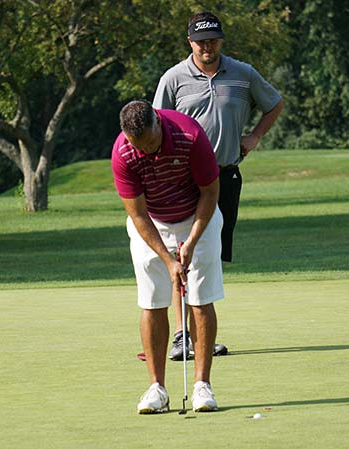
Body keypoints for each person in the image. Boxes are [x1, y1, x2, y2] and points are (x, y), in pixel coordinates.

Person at [153, 11, 284, 360]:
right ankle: (182, 336)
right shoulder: (174, 78)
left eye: (213, 40)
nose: (207, 46)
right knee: (182, 253)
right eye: (201, 41)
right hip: (182, 180)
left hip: (225, 176)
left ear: (220, 40)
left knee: (209, 256)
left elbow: (274, 103)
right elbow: (155, 126)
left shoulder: (242, 74)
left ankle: (202, 336)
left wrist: (255, 136)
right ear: (190, 42)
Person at [111, 100, 223, 413]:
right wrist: (168, 258)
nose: (144, 151)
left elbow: (211, 193)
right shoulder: (123, 152)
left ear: (158, 124)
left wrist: (190, 243)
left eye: (149, 143)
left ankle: (202, 386)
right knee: (151, 301)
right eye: (137, 145)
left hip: (198, 216)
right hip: (153, 223)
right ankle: (156, 389)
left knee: (200, 298)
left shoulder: (189, 136)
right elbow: (138, 215)